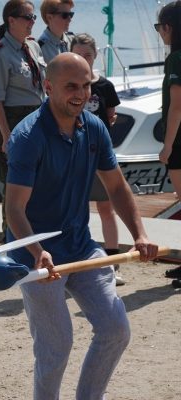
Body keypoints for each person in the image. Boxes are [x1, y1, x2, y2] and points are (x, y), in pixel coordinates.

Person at [5, 53, 159, 400]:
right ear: (48, 87)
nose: (81, 94)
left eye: (86, 85)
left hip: (80, 246)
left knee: (115, 329)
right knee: (56, 347)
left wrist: (139, 234)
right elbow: (14, 209)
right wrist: (37, 251)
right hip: (35, 257)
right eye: (71, 86)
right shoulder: (28, 137)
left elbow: (116, 187)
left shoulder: (94, 127)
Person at [0, 0, 46, 238]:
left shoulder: (33, 47)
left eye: (34, 18)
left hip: (38, 118)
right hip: (15, 120)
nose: (32, 22)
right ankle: (9, 238)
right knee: (14, 186)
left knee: (39, 182)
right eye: (27, 18)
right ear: (11, 20)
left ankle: (36, 235)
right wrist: (6, 136)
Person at [70, 33, 125, 286]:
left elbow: (110, 116)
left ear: (95, 56)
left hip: (99, 155)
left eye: (88, 55)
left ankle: (112, 264)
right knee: (74, 210)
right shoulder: (66, 86)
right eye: (78, 55)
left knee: (106, 209)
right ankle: (75, 263)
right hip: (73, 155)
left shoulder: (104, 86)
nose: (84, 59)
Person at [155, 1, 181, 283]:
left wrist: (168, 145)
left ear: (169, 27)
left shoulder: (176, 59)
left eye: (159, 27)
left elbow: (176, 106)